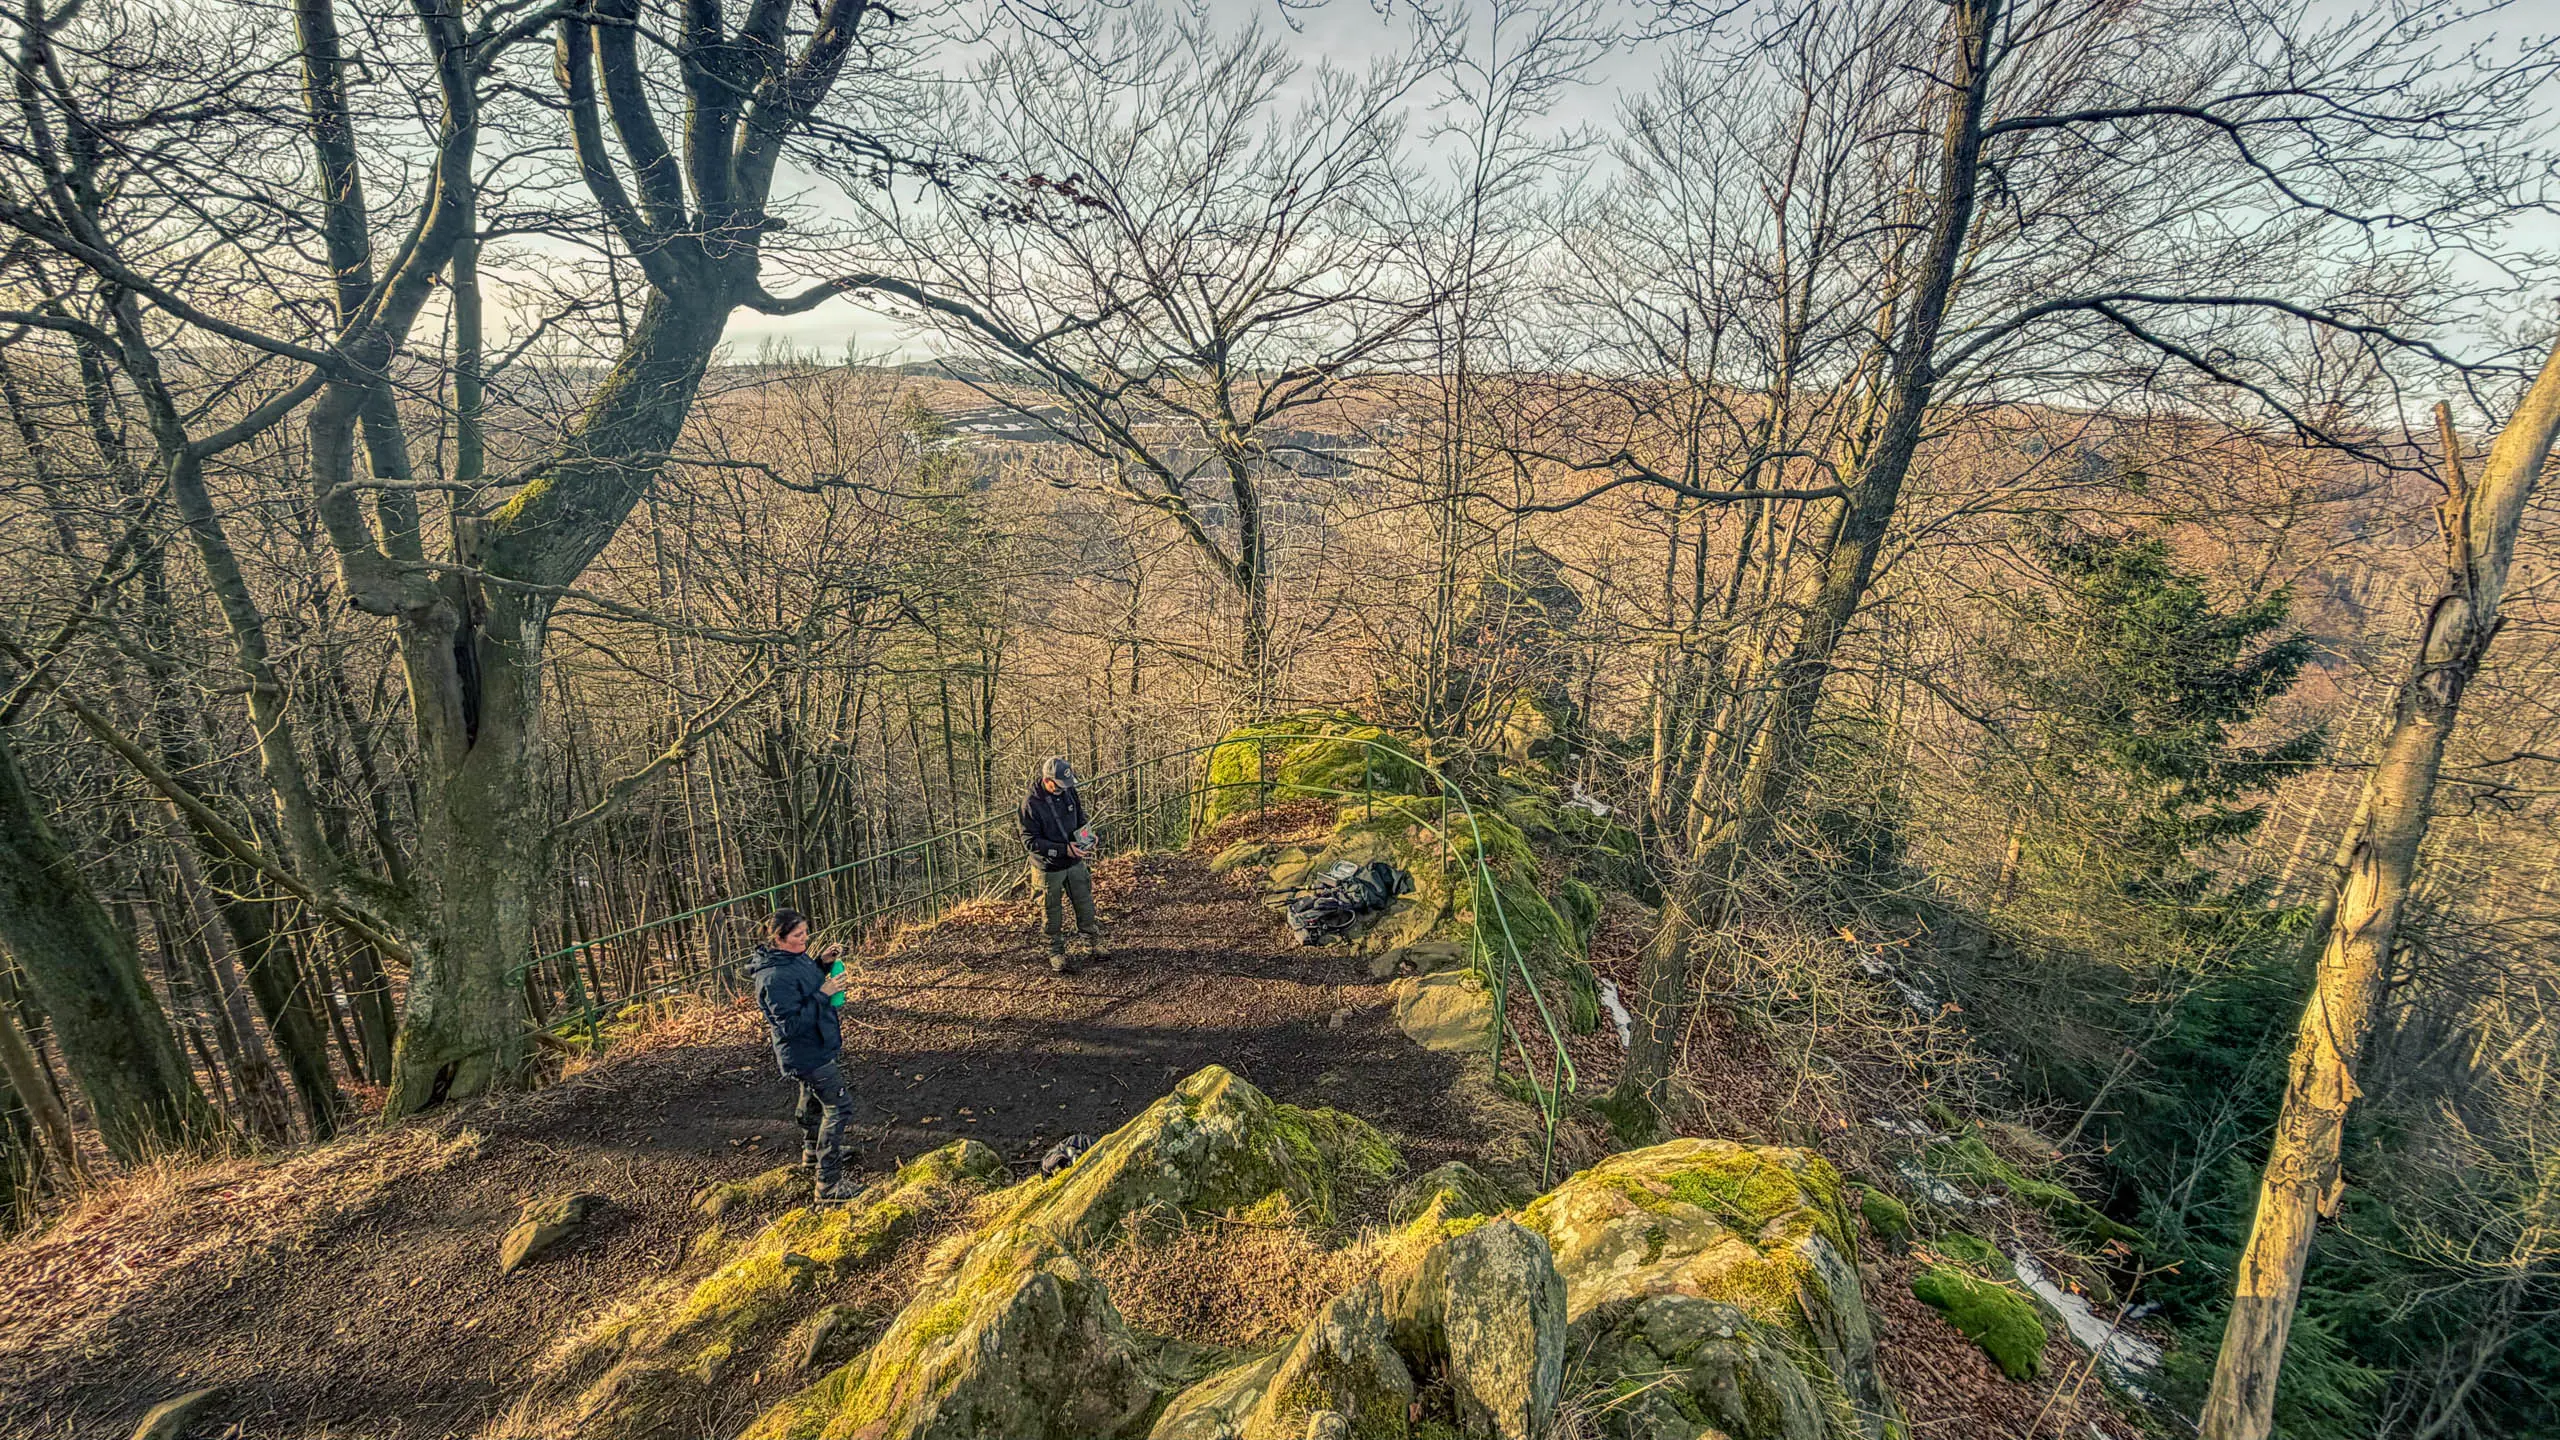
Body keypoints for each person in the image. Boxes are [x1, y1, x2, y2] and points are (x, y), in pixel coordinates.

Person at [748, 909, 861, 1202]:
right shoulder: (773, 977)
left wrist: (822, 963)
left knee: (811, 1099)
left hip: (816, 1045)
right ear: (778, 938)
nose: (805, 938)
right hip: (805, 1051)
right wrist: (824, 993)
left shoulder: (791, 958)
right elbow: (791, 1025)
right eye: (798, 935)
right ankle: (829, 1184)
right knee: (839, 1108)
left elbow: (804, 983)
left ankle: (813, 1152)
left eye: (805, 932)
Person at [1019, 755, 1106, 973]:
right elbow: (1029, 841)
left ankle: (1092, 940)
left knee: (1085, 903)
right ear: (1047, 780)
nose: (1062, 790)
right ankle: (1055, 951)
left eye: (1065, 786)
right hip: (1048, 867)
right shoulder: (1030, 804)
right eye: (1058, 786)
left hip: (1075, 861)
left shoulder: (1068, 791)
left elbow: (1079, 818)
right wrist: (1062, 849)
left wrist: (1088, 836)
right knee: (1051, 911)